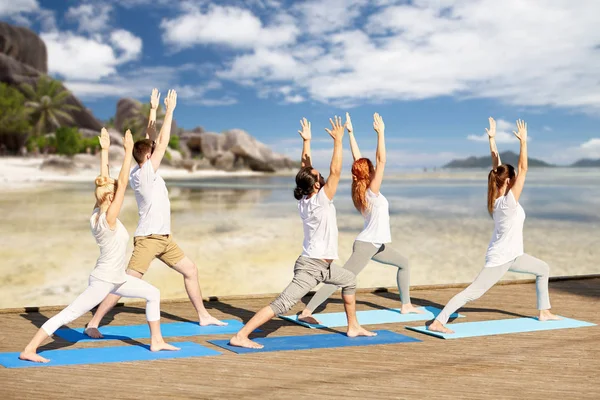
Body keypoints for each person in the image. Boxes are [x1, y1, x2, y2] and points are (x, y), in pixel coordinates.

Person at [19, 128, 179, 363]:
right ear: (109, 198)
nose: (117, 193)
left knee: (152, 293)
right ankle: (29, 350)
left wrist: (104, 151)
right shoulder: (109, 220)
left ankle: (156, 341)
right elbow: (122, 183)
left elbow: (105, 181)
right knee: (70, 314)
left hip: (117, 278)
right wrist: (127, 153)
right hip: (104, 280)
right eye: (113, 193)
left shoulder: (96, 213)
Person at [85, 89, 224, 339]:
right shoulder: (145, 174)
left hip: (165, 239)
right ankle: (94, 322)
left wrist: (152, 111)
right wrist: (169, 111)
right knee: (123, 282)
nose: (156, 151)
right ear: (148, 158)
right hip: (149, 239)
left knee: (191, 270)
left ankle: (203, 316)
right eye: (152, 152)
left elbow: (150, 141)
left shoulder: (145, 171)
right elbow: (160, 143)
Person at [229, 116, 376, 349]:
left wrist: (306, 142)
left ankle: (353, 326)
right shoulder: (320, 201)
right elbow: (335, 170)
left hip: (322, 266)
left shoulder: (306, 198)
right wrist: (338, 141)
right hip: (311, 267)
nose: (322, 176)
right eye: (319, 176)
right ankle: (241, 335)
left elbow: (305, 169)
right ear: (317, 184)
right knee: (283, 304)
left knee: (349, 280)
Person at [428, 118, 560, 334]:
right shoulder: (507, 203)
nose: (516, 180)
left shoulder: (497, 196)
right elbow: (524, 169)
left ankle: (544, 312)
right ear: (508, 182)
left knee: (542, 269)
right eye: (513, 179)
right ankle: (438, 322)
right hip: (501, 258)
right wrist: (524, 142)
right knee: (473, 292)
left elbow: (496, 168)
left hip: (514, 255)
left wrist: (492, 140)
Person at [298, 113, 422, 325]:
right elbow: (381, 160)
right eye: (372, 169)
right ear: (370, 173)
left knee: (404, 263)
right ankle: (307, 311)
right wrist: (381, 133)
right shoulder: (371, 192)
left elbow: (358, 161)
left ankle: (406, 305)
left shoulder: (361, 189)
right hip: (367, 245)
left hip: (376, 244)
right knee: (341, 278)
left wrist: (351, 133)